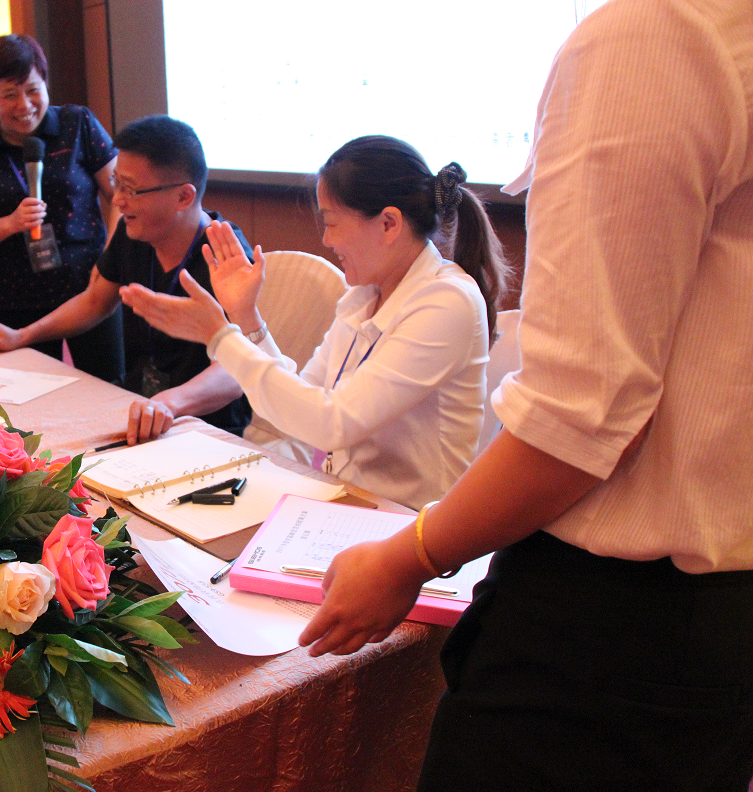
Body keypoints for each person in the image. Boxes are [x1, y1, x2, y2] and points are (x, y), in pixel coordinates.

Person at [295, 1, 753, 790]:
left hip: (614, 626)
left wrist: (410, 557)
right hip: (705, 614)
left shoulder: (657, 32)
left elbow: (582, 418)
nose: (328, 239)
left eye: (334, 221)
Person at [121, 136, 508, 510]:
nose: (325, 239)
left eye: (332, 223)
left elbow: (332, 424)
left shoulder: (447, 302)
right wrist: (244, 316)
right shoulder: (367, 294)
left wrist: (219, 336)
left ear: (389, 224)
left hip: (410, 525)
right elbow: (300, 405)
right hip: (349, 504)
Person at [0, 115, 252, 442]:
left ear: (184, 197)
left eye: (131, 189)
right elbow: (94, 301)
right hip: (140, 411)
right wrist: (21, 335)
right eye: (116, 183)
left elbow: (238, 368)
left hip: (207, 430)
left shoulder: (227, 256)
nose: (117, 200)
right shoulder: (136, 232)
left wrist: (170, 403)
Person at [0, 35, 124, 383]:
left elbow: (122, 195)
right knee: (30, 392)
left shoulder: (78, 124)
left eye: (32, 90)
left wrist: (111, 258)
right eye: (9, 95)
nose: (24, 105)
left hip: (89, 285)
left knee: (108, 386)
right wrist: (10, 223)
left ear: (45, 84)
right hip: (19, 293)